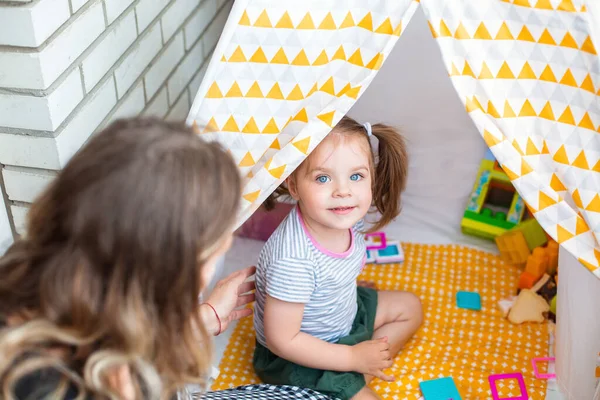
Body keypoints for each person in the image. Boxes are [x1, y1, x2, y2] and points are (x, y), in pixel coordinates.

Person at [0, 118, 330, 400]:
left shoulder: (43, 283)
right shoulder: (49, 384)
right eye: (216, 254)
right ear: (170, 273)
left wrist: (205, 318)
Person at [252, 116, 424, 400]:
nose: (343, 191)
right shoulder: (293, 260)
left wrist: (342, 290)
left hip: (342, 317)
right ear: (293, 186)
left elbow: (336, 268)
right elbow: (282, 341)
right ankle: (348, 375)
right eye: (323, 178)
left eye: (356, 176)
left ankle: (357, 370)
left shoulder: (343, 217)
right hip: (297, 356)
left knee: (410, 306)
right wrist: (349, 358)